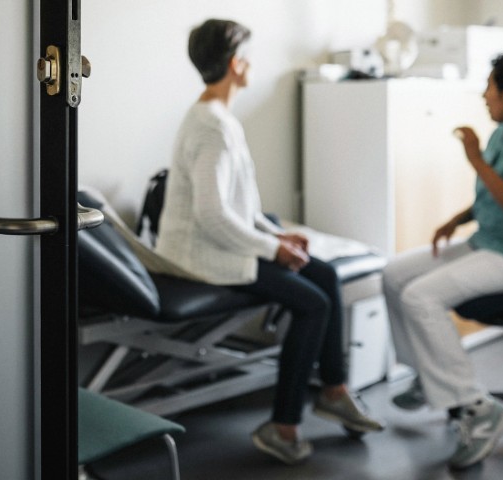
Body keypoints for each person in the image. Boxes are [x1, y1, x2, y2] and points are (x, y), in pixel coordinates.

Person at [154, 19, 383, 465]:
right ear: (236, 64)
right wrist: (271, 249)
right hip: (203, 257)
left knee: (325, 273)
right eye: (248, 56)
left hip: (226, 243)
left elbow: (239, 206)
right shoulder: (211, 126)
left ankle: (333, 389)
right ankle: (283, 427)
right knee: (312, 303)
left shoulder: (218, 118)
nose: (251, 63)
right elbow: (212, 215)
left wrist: (277, 235)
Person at [382, 49, 503, 469]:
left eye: (489, 88)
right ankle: (427, 375)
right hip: (491, 241)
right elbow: (497, 193)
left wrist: (473, 160)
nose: (483, 96)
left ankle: (477, 407)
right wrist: (458, 218)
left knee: (420, 297)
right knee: (395, 274)